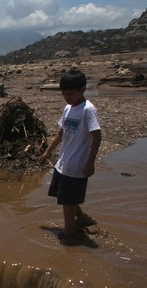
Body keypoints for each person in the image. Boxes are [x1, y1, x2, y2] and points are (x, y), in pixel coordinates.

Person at [38, 69, 101, 242]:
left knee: (67, 201)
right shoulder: (68, 108)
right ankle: (81, 217)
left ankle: (69, 233)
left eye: (71, 93)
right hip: (63, 162)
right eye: (64, 94)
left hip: (77, 165)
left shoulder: (88, 110)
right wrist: (47, 151)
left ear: (82, 90)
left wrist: (90, 162)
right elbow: (61, 133)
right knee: (64, 196)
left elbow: (97, 136)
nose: (67, 97)